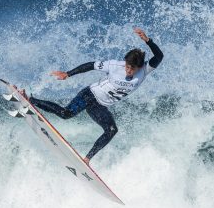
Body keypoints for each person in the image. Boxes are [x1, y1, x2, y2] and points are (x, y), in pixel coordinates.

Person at [28, 27, 164, 164]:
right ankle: (30, 100)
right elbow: (91, 65)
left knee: (111, 130)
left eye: (132, 68)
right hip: (90, 95)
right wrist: (68, 74)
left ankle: (86, 159)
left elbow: (159, 56)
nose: (128, 70)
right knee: (65, 114)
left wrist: (148, 40)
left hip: (100, 106)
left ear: (139, 67)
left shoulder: (144, 70)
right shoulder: (114, 65)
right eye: (127, 66)